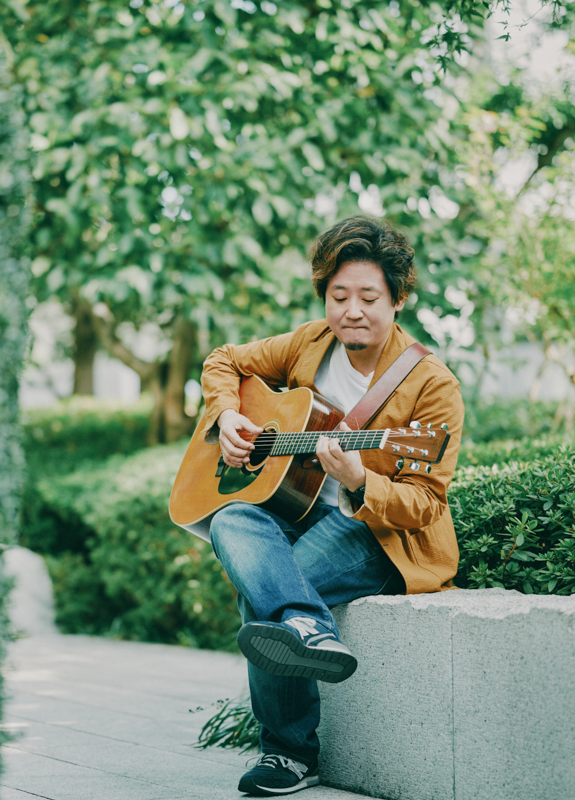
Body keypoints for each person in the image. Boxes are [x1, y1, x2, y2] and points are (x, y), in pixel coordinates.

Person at [197, 215, 464, 797]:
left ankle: (288, 754)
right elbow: (224, 359)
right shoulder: (309, 343)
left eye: (369, 297)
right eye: (338, 296)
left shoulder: (432, 385)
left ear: (398, 299)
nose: (352, 311)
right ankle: (310, 625)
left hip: (376, 532)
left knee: (261, 592)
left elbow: (425, 502)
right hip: (297, 509)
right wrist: (226, 416)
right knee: (231, 517)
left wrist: (362, 480)